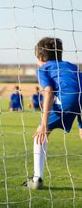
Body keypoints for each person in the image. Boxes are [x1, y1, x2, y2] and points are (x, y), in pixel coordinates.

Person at [23, 37, 82, 190]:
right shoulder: (72, 66)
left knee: (40, 134)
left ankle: (37, 179)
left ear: (40, 57)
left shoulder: (43, 69)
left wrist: (43, 124)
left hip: (67, 100)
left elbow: (48, 92)